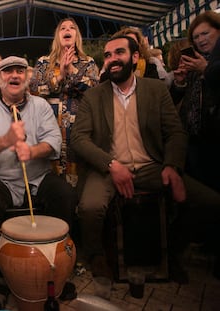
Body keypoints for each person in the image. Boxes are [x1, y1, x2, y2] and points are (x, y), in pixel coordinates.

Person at [70, 35, 220, 283]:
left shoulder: (156, 89)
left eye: (119, 53)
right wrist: (111, 164)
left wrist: (172, 166)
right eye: (107, 55)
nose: (112, 59)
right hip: (108, 167)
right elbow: (78, 139)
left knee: (210, 203)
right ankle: (96, 256)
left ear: (136, 57)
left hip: (151, 166)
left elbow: (175, 132)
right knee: (89, 208)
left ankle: (171, 251)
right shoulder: (93, 96)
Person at [0, 56, 75, 309]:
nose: (14, 76)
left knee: (65, 195)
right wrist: (5, 140)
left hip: (37, 177)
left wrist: (32, 151)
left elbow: (54, 143)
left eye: (19, 71)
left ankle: (59, 269)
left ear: (27, 78)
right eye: (7, 72)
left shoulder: (40, 105)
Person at [29, 18, 99, 188]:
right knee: (51, 177)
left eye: (72, 28)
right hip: (49, 126)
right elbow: (34, 90)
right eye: (63, 28)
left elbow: (94, 89)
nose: (67, 30)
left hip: (78, 127)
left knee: (78, 175)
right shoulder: (44, 62)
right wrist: (59, 76)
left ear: (77, 35)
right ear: (57, 36)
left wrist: (72, 71)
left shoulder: (87, 62)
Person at [170, 11, 220, 193]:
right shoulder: (193, 62)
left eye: (205, 33)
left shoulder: (208, 64)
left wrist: (206, 70)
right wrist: (180, 82)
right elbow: (173, 101)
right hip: (193, 140)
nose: (200, 40)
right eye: (196, 36)